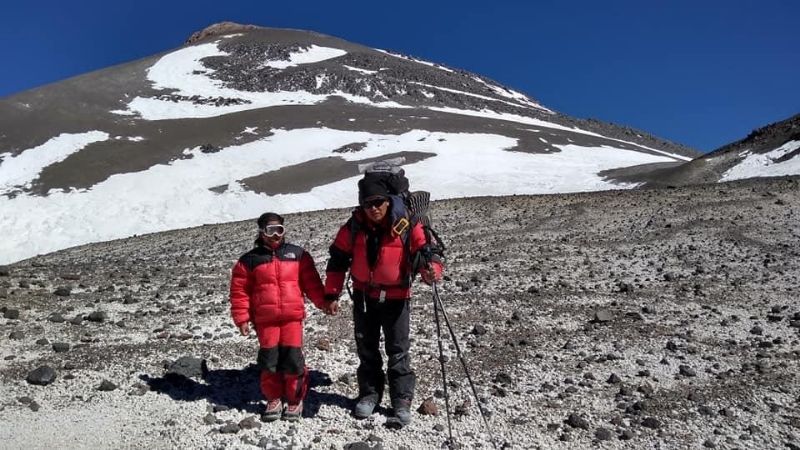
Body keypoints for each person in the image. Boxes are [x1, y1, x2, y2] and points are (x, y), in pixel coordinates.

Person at [324, 177, 443, 426]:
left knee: (398, 351)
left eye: (378, 202)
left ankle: (401, 400)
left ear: (388, 202)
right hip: (364, 297)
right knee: (366, 349)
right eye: (368, 204)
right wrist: (332, 293)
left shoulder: (406, 224)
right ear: (361, 205)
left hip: (397, 298)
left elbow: (427, 252)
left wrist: (432, 272)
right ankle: (369, 394)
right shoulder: (354, 226)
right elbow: (337, 259)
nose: (374, 208)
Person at [229, 212, 334, 422]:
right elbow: (239, 291)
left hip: (291, 318)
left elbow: (311, 283)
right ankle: (273, 398)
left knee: (293, 360)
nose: (276, 235)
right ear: (261, 232)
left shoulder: (297, 255)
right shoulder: (249, 260)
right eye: (270, 230)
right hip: (265, 320)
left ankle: (295, 399)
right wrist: (242, 319)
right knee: (269, 361)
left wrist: (323, 302)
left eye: (280, 230)